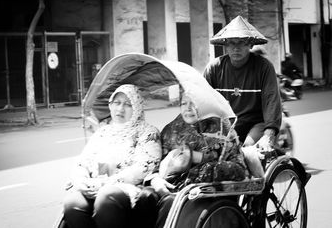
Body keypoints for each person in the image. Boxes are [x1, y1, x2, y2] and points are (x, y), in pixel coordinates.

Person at [144, 83, 248, 228]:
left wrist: (200, 162)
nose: (188, 108)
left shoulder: (223, 129)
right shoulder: (170, 130)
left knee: (175, 205)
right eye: (183, 103)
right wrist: (155, 180)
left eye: (193, 103)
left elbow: (239, 169)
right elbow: (154, 165)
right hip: (171, 189)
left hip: (209, 195)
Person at [61, 84, 162, 228]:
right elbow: (83, 162)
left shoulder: (147, 132)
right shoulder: (103, 132)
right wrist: (81, 181)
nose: (120, 109)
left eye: (128, 104)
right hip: (94, 186)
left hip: (127, 189)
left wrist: (105, 183)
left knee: (106, 196)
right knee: (72, 203)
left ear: (137, 107)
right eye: (117, 103)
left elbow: (144, 167)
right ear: (110, 105)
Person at [203, 15, 282, 150]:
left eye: (241, 42)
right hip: (226, 124)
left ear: (250, 44)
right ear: (225, 45)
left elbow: (271, 100)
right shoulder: (214, 68)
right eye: (232, 43)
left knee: (248, 148)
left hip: (256, 123)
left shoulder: (263, 67)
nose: (236, 48)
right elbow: (203, 100)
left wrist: (270, 133)